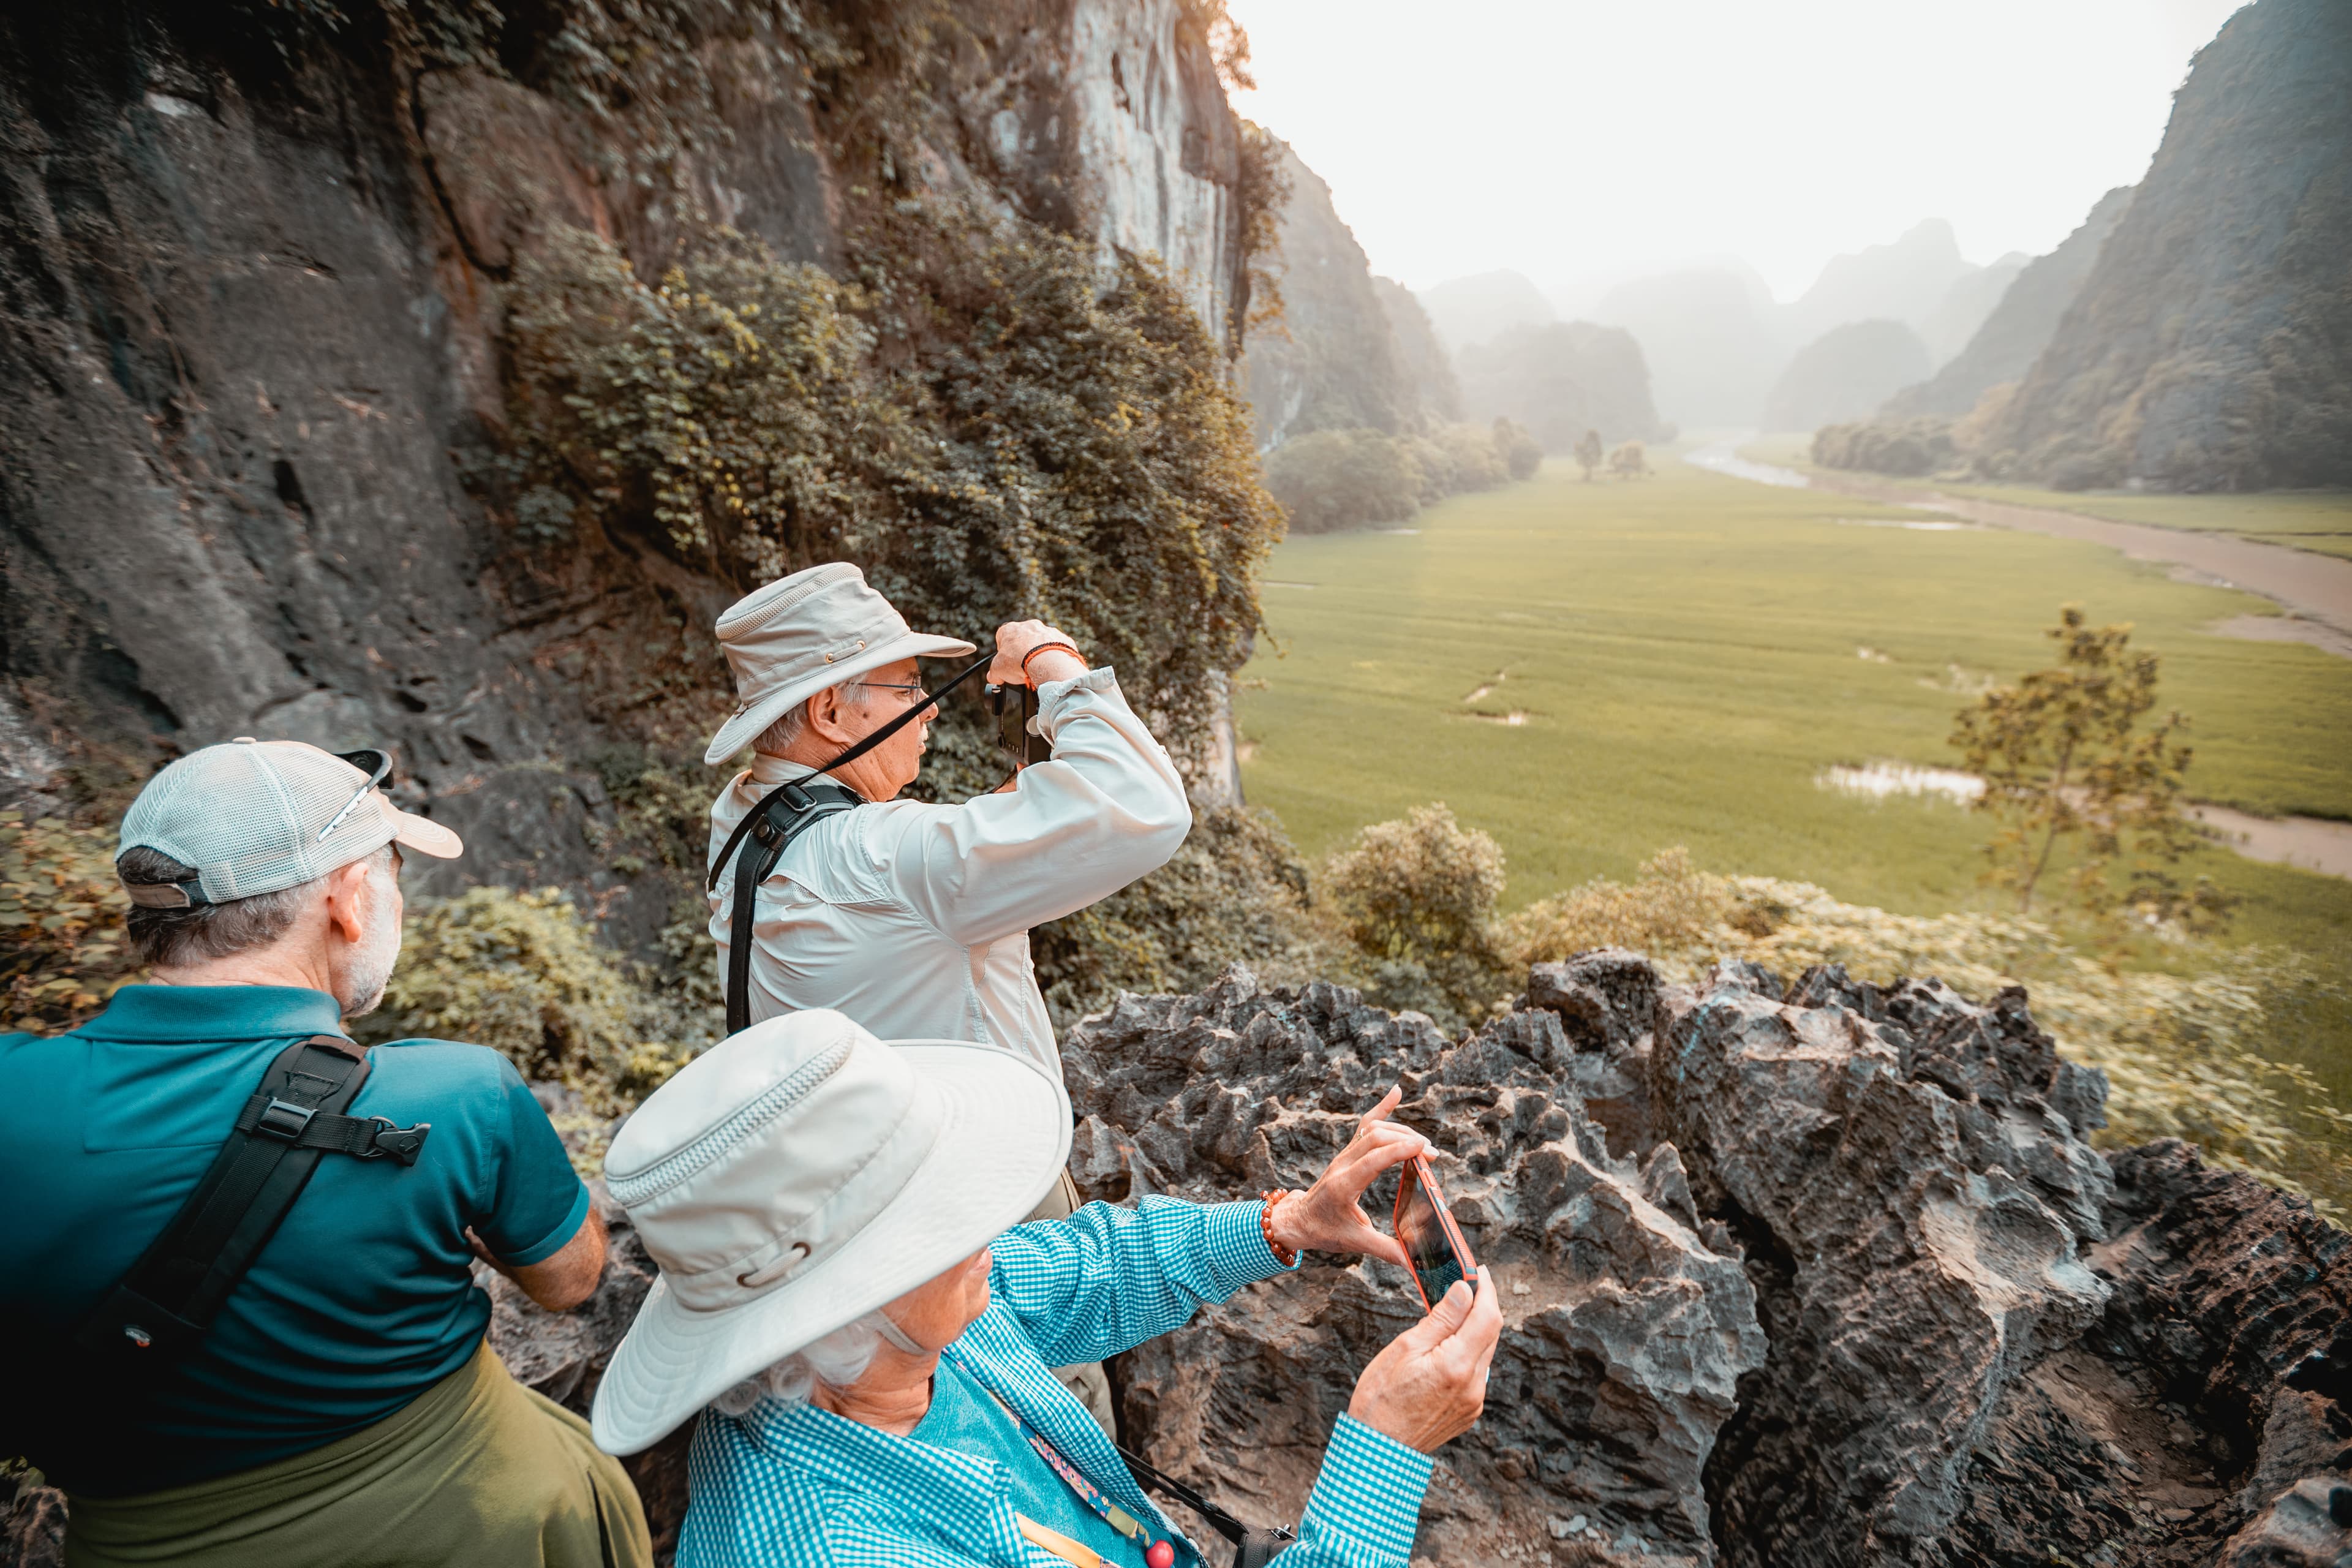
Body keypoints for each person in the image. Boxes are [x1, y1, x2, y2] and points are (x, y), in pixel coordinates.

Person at [0, 739, 653, 1568]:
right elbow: (572, 1281)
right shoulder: (455, 1096)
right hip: (482, 1529)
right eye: (391, 876)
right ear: (348, 899)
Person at [589, 1009, 1504, 1568]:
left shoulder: (890, 1340)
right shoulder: (843, 1550)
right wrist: (1384, 1450)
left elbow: (1094, 1265)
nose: (984, 1226)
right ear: (838, 1303)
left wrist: (1285, 1224)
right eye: (939, 1219)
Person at [701, 563, 1194, 1426]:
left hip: (849, 1191)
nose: (929, 711)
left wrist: (994, 841)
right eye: (908, 688)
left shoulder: (744, 821)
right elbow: (1144, 806)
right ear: (829, 713)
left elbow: (881, 894)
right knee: (1047, 1412)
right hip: (977, 1209)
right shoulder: (885, 858)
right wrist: (1051, 659)